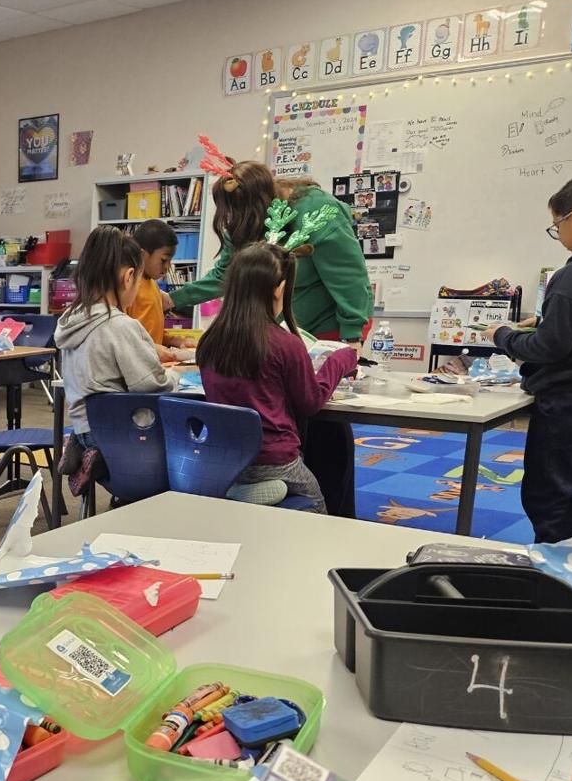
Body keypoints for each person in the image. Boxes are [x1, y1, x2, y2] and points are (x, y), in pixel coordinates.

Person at [189, 50, 572, 781]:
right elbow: (312, 398)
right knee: (323, 498)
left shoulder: (217, 332)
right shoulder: (281, 332)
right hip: (286, 475)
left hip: (233, 482)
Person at [168, 144, 373, 516]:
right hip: (274, 339)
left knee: (323, 432)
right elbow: (226, 274)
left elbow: (349, 279)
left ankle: (325, 514)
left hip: (319, 334)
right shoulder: (244, 217)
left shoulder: (318, 215)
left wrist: (351, 339)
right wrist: (176, 297)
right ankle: (294, 503)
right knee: (284, 421)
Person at [487, 169, 572, 542]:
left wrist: (503, 336)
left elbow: (550, 348)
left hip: (571, 401)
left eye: (557, 225)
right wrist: (547, 320)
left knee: (548, 496)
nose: (559, 235)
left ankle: (555, 576)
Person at [198, 244, 357, 512]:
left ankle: (242, 494)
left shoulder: (210, 341)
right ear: (278, 289)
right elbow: (310, 403)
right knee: (320, 511)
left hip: (225, 461)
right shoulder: (284, 343)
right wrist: (341, 360)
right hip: (274, 461)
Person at [55, 225, 175, 457]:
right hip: (122, 438)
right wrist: (176, 377)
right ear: (129, 277)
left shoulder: (72, 320)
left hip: (84, 430)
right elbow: (153, 385)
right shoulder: (120, 325)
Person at [125, 219, 184, 363]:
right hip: (138, 366)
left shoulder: (153, 285)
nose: (168, 267)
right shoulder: (128, 289)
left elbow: (150, 331)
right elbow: (124, 337)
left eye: (170, 261)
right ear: (142, 255)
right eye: (163, 260)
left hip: (153, 364)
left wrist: (175, 340)